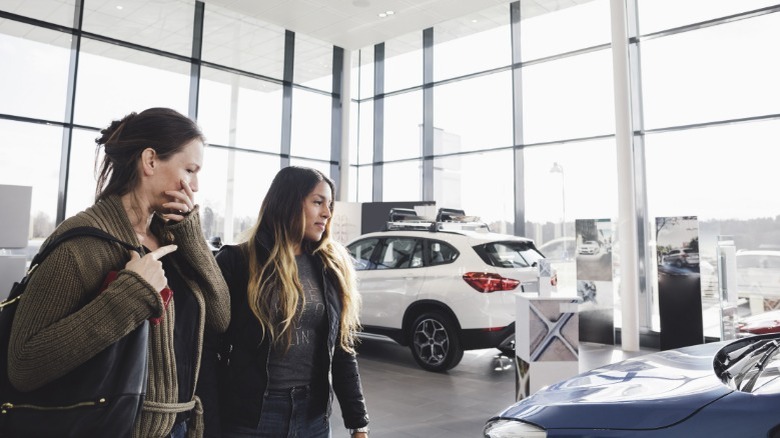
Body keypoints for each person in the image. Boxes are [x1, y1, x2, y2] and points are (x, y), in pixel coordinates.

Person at [8, 107, 231, 438]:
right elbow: (24, 365)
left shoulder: (172, 236)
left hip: (180, 428)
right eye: (189, 169)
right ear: (150, 161)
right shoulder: (82, 243)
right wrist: (131, 296)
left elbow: (220, 318)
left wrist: (191, 236)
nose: (195, 185)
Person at [200, 166, 369, 437]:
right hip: (252, 416)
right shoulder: (238, 262)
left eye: (330, 204)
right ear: (288, 202)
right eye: (317, 202)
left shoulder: (330, 266)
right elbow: (207, 350)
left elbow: (341, 349)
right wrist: (209, 425)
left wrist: (358, 421)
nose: (327, 212)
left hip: (313, 416)